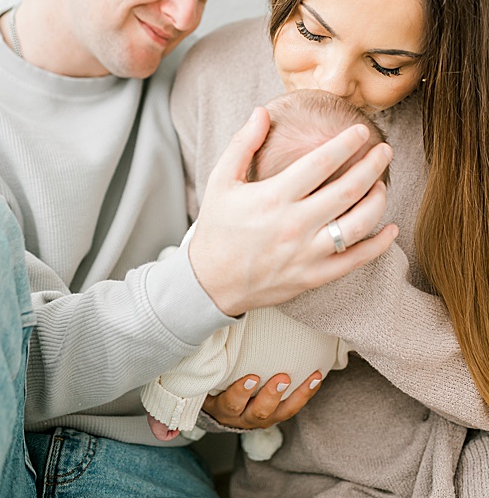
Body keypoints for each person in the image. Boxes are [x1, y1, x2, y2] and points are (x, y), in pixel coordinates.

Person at [0, 0, 396, 498]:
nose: (184, 15)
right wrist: (207, 282)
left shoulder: (205, 85)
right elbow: (15, 366)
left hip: (136, 459)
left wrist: (213, 397)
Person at [171, 0, 489, 497]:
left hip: (476, 444)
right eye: (311, 30)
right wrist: (208, 402)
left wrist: (356, 294)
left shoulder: (475, 131)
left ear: (438, 56)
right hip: (307, 475)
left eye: (386, 64)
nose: (331, 83)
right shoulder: (213, 78)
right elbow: (176, 308)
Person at [142, 89, 390, 461]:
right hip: (228, 360)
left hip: (293, 380)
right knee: (191, 333)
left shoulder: (357, 266)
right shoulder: (226, 250)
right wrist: (171, 404)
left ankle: (258, 429)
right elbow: (189, 347)